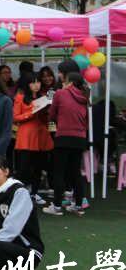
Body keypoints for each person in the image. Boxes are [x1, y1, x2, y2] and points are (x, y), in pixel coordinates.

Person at [43, 71, 89, 216]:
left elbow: (52, 114)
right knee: (76, 172)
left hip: (63, 136)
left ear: (69, 82)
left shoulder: (60, 93)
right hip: (80, 138)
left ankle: (57, 206)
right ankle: (78, 205)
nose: (62, 83)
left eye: (64, 80)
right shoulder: (84, 96)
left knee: (59, 172)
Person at [12, 72, 53, 205]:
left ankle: (34, 193)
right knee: (24, 167)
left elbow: (47, 119)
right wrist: (31, 113)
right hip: (26, 135)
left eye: (38, 82)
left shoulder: (43, 97)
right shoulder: (20, 97)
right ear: (27, 84)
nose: (36, 85)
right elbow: (15, 117)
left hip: (41, 134)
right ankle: (19, 194)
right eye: (32, 82)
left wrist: (46, 111)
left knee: (38, 167)